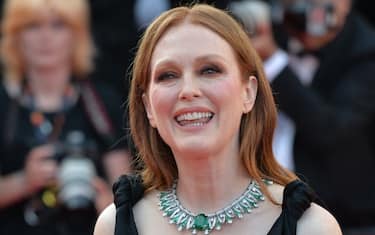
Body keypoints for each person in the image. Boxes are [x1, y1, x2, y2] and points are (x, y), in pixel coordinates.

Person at [94, 4, 341, 235]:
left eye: (210, 70)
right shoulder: (115, 224)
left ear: (249, 92)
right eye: (168, 75)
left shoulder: (311, 227)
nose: (188, 90)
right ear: (148, 106)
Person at [0, 0, 132, 235]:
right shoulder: (4, 104)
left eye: (58, 25)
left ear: (77, 34)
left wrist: (109, 208)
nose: (45, 37)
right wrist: (24, 182)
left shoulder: (101, 103)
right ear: (15, 35)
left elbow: (124, 191)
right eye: (32, 26)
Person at [248, 0, 375, 233]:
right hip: (262, 205)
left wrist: (273, 61)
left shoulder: (366, 53)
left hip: (346, 217)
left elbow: (333, 131)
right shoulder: (272, 29)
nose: (312, 11)